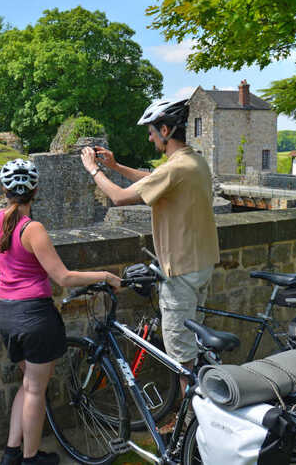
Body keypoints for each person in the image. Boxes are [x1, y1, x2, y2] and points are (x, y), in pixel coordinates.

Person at [0, 158, 122, 465]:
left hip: (7, 314)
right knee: (35, 390)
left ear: (4, 190)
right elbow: (63, 277)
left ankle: (11, 453)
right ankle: (30, 460)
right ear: (36, 190)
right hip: (35, 317)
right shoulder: (33, 229)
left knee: (28, 384)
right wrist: (106, 276)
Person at [80, 99, 220, 401]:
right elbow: (152, 181)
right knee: (195, 347)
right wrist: (115, 166)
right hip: (201, 264)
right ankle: (197, 417)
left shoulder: (177, 168)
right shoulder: (193, 162)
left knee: (182, 359)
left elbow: (118, 198)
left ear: (166, 130)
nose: (150, 137)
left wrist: (94, 170)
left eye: (152, 131)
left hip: (181, 272)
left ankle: (191, 429)